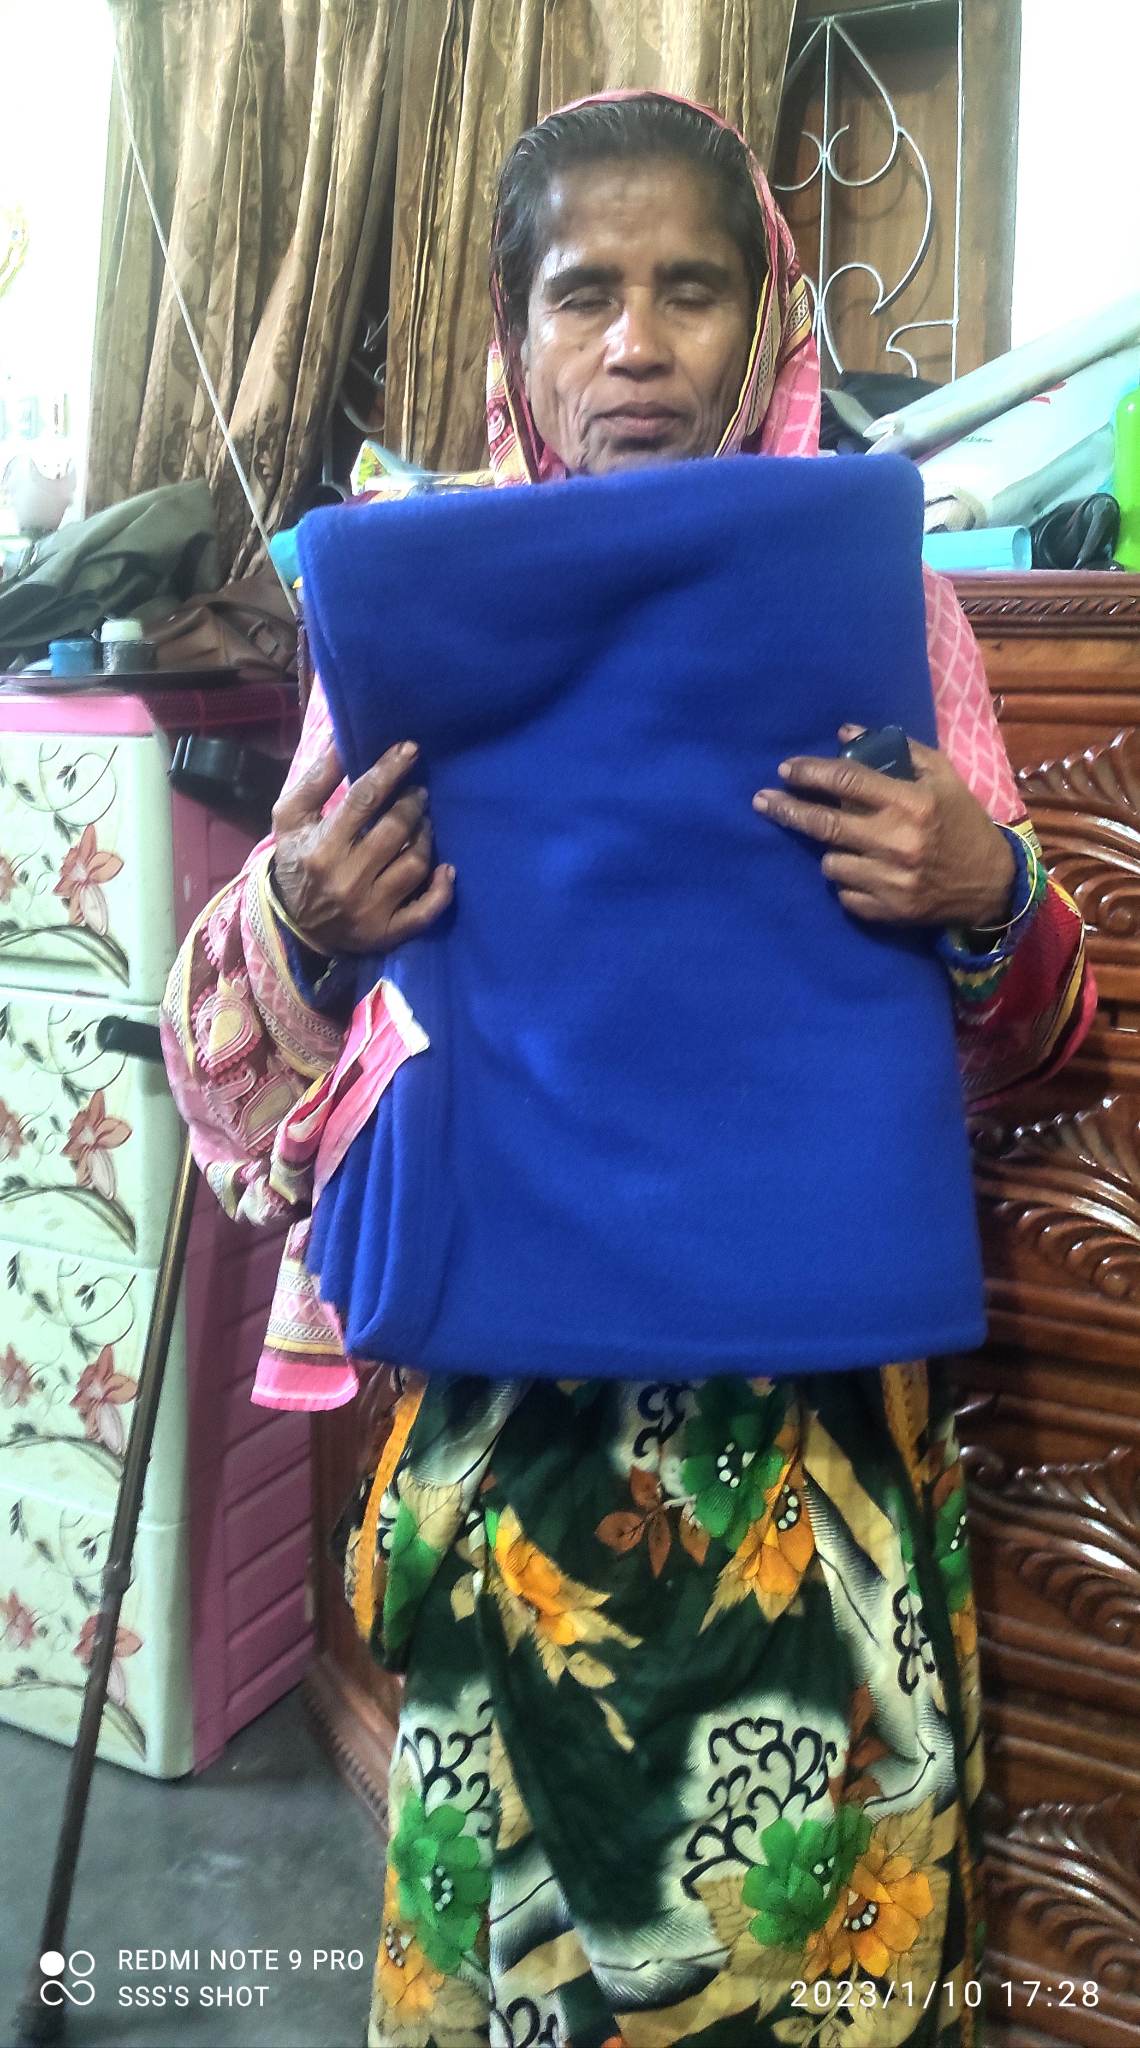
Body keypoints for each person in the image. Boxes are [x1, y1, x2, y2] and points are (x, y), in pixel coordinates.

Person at [162, 91, 1093, 2048]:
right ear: (514, 336)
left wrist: (985, 892)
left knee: (819, 1960)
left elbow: (1031, 1048)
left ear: (765, 318)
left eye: (692, 289)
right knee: (527, 1984)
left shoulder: (888, 613)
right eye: (585, 293)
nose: (639, 345)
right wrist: (309, 922)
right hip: (520, 1472)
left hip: (813, 1469)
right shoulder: (414, 620)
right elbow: (231, 1080)